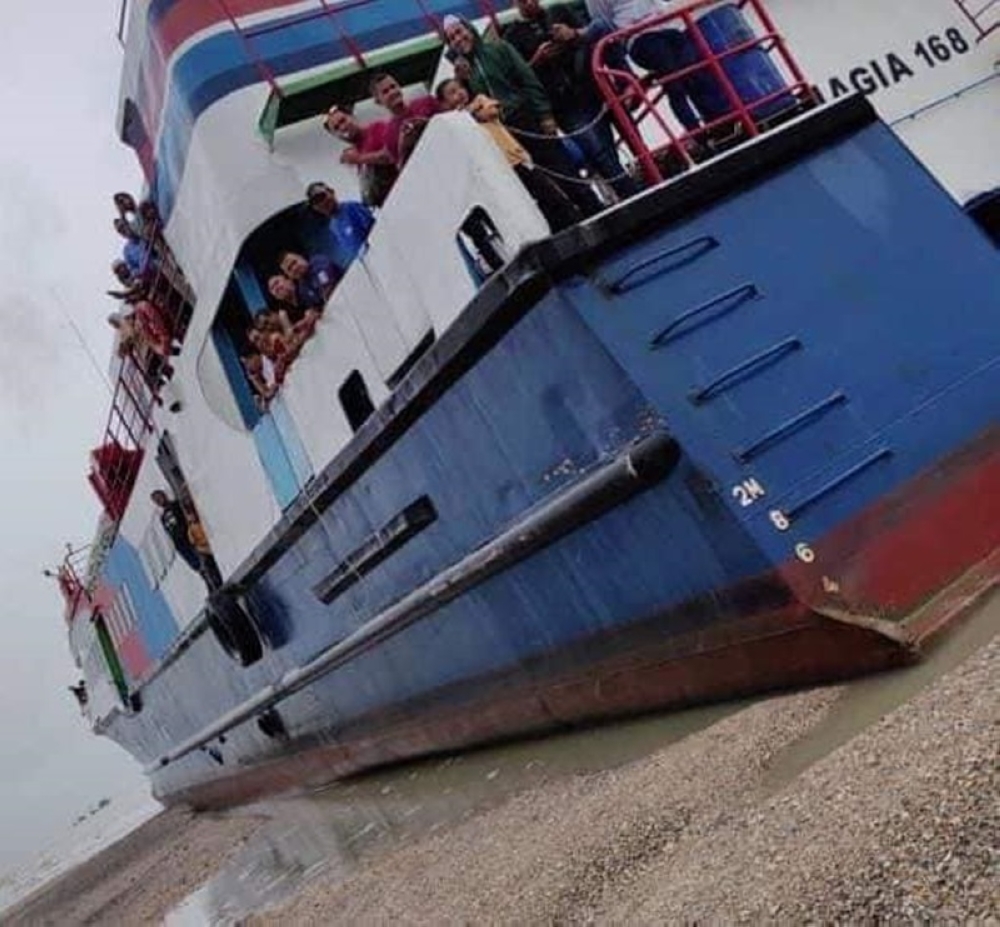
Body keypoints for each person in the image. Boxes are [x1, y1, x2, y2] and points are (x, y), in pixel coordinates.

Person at [443, 15, 602, 218]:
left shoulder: (499, 49)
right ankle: (570, 223)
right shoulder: (467, 72)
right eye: (452, 38)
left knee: (562, 170)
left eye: (459, 32)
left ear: (470, 30)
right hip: (503, 134)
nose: (458, 39)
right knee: (538, 186)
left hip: (525, 118)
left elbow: (528, 79)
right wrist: (461, 79)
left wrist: (544, 115)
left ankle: (595, 211)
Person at [503, 0, 639, 198]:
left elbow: (594, 36)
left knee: (632, 135)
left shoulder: (560, 11)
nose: (529, 2)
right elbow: (520, 79)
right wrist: (537, 60)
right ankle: (632, 195)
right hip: (566, 104)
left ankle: (654, 180)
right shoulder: (513, 37)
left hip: (595, 86)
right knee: (600, 153)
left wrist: (572, 34)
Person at [436, 79, 581, 232]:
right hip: (497, 168)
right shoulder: (453, 123)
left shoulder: (480, 100)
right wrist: (468, 115)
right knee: (531, 204)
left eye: (460, 88)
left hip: (515, 158)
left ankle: (573, 222)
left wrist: (467, 114)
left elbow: (491, 111)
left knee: (547, 192)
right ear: (444, 104)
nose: (459, 93)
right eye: (452, 93)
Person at [553, 0, 716, 134]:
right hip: (639, 36)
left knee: (697, 74)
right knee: (675, 86)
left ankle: (716, 123)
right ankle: (699, 134)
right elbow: (604, 21)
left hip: (666, 23)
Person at [324, 105, 397, 206]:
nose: (343, 127)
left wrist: (359, 159)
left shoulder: (376, 128)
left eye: (343, 121)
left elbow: (392, 155)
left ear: (352, 117)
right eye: (337, 128)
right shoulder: (355, 153)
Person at [369, 72, 440, 167]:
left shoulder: (427, 102)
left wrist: (426, 123)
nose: (392, 92)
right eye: (385, 91)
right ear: (378, 101)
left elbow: (451, 119)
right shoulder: (388, 135)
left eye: (393, 86)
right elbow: (403, 169)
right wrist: (404, 146)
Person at [305, 182, 376, 270]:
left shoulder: (352, 208)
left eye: (322, 197)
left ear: (331, 192)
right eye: (316, 202)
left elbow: (376, 231)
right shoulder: (333, 227)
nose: (322, 203)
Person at [151, 490, 204, 579]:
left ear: (164, 495)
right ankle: (202, 573)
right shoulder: (163, 518)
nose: (159, 501)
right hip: (181, 543)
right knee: (195, 563)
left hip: (190, 535)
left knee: (202, 557)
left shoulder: (176, 504)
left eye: (159, 497)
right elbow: (170, 533)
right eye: (156, 500)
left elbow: (187, 515)